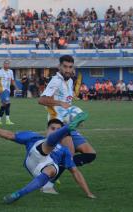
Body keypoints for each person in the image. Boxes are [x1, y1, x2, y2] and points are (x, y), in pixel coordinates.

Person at [0, 113, 96, 204]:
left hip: (44, 169)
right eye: (52, 128)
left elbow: (75, 172)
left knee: (53, 168)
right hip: (35, 156)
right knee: (47, 144)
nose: (54, 131)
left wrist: (88, 192)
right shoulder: (33, 136)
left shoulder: (64, 151)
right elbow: (10, 135)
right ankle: (68, 127)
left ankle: (17, 194)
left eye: (58, 130)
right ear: (47, 129)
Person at [38, 55, 96, 193]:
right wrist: (59, 103)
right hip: (57, 125)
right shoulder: (56, 81)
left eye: (70, 67)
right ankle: (47, 184)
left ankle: (54, 166)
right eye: (65, 66)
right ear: (60, 67)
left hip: (67, 124)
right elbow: (41, 100)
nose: (68, 69)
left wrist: (75, 120)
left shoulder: (69, 81)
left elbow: (67, 107)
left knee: (90, 154)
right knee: (68, 154)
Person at [0, 60, 18, 125]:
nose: (7, 65)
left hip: (8, 90)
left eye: (8, 64)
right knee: (8, 103)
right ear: (3, 64)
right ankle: (8, 120)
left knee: (3, 105)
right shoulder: (0, 72)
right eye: (6, 64)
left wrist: (16, 87)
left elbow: (12, 80)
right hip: (2, 90)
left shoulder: (11, 71)